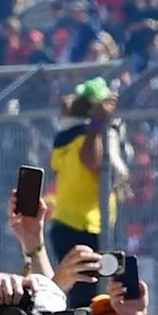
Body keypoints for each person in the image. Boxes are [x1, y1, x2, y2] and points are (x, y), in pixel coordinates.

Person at [45, 80, 118, 263]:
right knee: (88, 291)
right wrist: (96, 123)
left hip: (92, 225)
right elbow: (91, 161)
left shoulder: (67, 136)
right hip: (79, 227)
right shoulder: (82, 137)